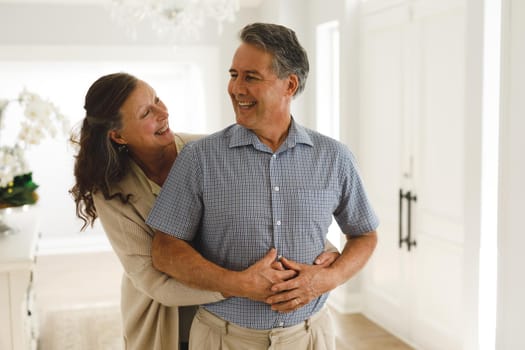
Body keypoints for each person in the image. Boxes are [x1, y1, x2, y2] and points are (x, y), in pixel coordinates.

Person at [147, 22, 379, 350]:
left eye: (250, 77)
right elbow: (164, 250)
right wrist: (237, 284)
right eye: (233, 74)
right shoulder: (198, 159)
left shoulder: (335, 157)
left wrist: (327, 278)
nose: (236, 88)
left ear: (290, 84)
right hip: (223, 339)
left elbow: (365, 234)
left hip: (311, 337)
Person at [69, 72, 339, 350]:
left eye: (158, 100)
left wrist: (322, 249)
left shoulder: (206, 152)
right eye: (146, 112)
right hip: (170, 322)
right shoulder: (111, 192)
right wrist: (241, 284)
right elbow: (154, 282)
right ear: (118, 135)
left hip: (233, 319)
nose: (163, 112)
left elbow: (269, 203)